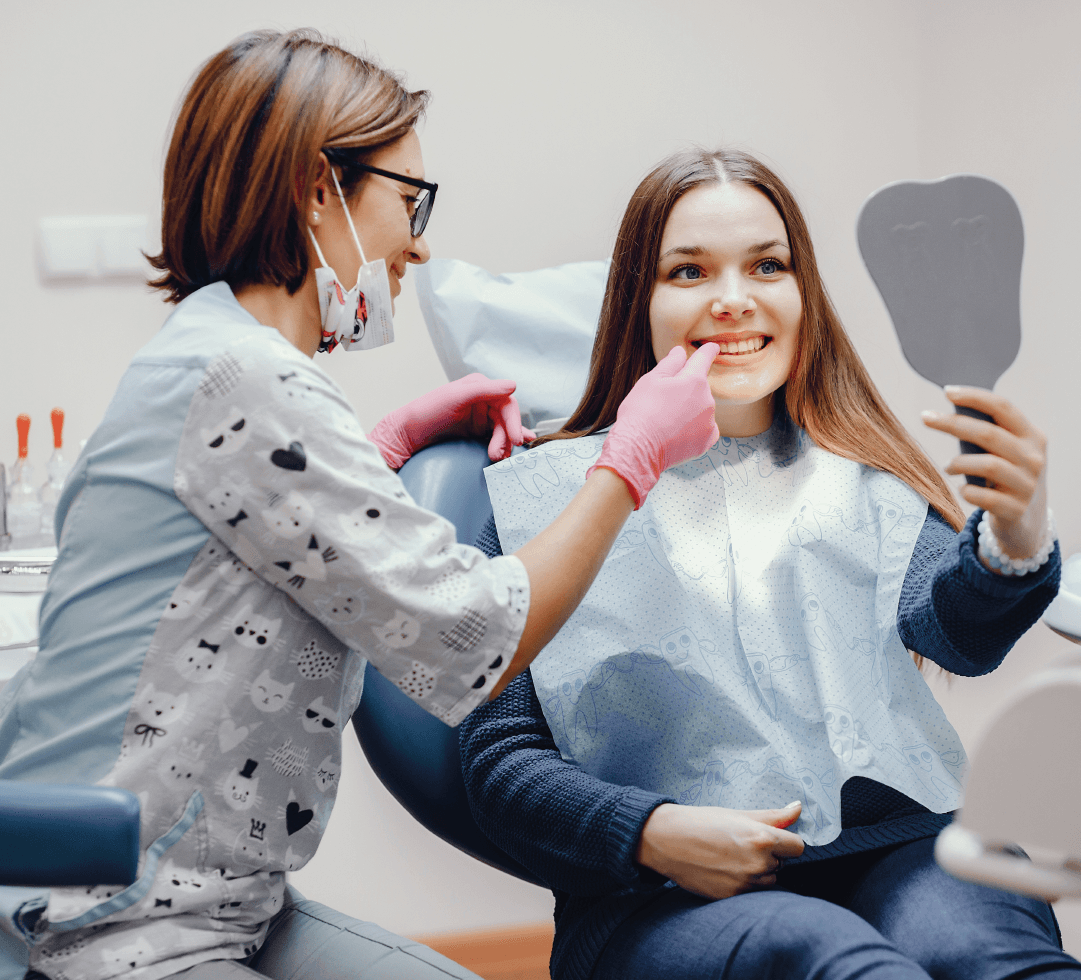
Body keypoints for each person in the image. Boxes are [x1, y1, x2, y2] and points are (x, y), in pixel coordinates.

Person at [0, 31, 723, 980]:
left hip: (227, 902)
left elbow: (239, 549)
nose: (418, 242)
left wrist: (377, 448)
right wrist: (632, 457)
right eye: (408, 198)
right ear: (317, 189)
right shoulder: (252, 382)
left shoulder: (209, 357)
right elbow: (474, 637)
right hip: (114, 921)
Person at [459, 147, 1077, 980]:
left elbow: (956, 633)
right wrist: (649, 833)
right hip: (658, 892)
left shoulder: (867, 479)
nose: (732, 299)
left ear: (802, 291)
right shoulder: (545, 502)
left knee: (990, 957)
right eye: (687, 271)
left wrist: (1013, 537)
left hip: (903, 846)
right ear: (638, 300)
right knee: (831, 960)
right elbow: (499, 764)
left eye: (767, 266)